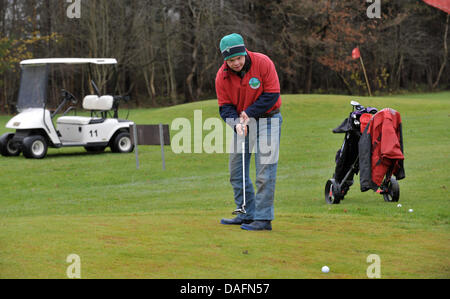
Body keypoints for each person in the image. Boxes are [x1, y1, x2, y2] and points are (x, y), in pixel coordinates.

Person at [215, 33, 282, 231]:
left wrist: (248, 113)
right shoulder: (222, 76)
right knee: (236, 172)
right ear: (225, 60)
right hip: (241, 125)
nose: (235, 63)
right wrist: (235, 122)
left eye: (238, 58)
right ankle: (246, 213)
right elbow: (224, 107)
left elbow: (272, 94)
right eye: (230, 60)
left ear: (244, 52)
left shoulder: (263, 63)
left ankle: (263, 219)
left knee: (265, 171)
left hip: (269, 120)